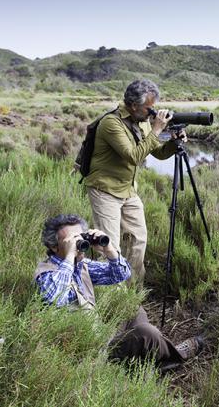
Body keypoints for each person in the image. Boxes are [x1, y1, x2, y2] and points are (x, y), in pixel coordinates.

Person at [34, 214, 202, 370]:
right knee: (146, 333)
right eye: (71, 240)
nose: (78, 245)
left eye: (81, 237)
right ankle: (172, 356)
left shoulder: (81, 265)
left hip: (100, 336)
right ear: (54, 247)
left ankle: (146, 361)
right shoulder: (46, 273)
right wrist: (70, 255)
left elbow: (121, 274)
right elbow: (55, 296)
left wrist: (108, 249)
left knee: (132, 310)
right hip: (84, 353)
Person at [83, 79, 186, 287]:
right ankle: (112, 297)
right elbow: (134, 157)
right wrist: (157, 130)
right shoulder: (111, 123)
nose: (152, 112)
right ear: (133, 105)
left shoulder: (143, 120)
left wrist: (174, 143)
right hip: (105, 190)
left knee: (138, 241)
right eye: (148, 108)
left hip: (128, 190)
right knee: (109, 247)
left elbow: (157, 152)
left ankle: (133, 293)